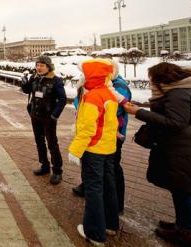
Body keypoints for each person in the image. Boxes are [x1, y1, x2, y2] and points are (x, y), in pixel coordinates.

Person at [124, 62, 191, 247]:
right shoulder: (182, 90)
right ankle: (185, 225)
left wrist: (139, 112)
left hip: (181, 146)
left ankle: (184, 232)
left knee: (183, 190)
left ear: (162, 78)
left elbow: (175, 122)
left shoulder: (177, 94)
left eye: (152, 78)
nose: (150, 82)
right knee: (183, 188)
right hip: (182, 144)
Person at [68, 58, 120, 246]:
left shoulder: (92, 97)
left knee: (93, 189)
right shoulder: (108, 94)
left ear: (92, 76)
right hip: (108, 147)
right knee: (108, 185)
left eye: (84, 74)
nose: (81, 78)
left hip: (94, 149)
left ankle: (95, 232)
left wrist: (75, 150)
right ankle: (111, 224)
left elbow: (87, 128)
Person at [72, 63, 132, 216]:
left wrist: (75, 150)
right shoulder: (99, 89)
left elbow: (115, 108)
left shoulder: (113, 88)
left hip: (103, 138)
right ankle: (111, 217)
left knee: (108, 175)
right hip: (103, 138)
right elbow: (77, 101)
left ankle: (102, 219)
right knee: (102, 176)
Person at [20, 55, 67, 185]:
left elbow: (62, 100)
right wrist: (24, 82)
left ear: (48, 67)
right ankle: (44, 166)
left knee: (52, 143)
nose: (38, 68)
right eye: (37, 65)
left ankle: (57, 170)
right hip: (35, 115)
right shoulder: (34, 78)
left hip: (48, 118)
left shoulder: (56, 81)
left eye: (41, 65)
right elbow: (27, 90)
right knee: (39, 141)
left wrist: (54, 116)